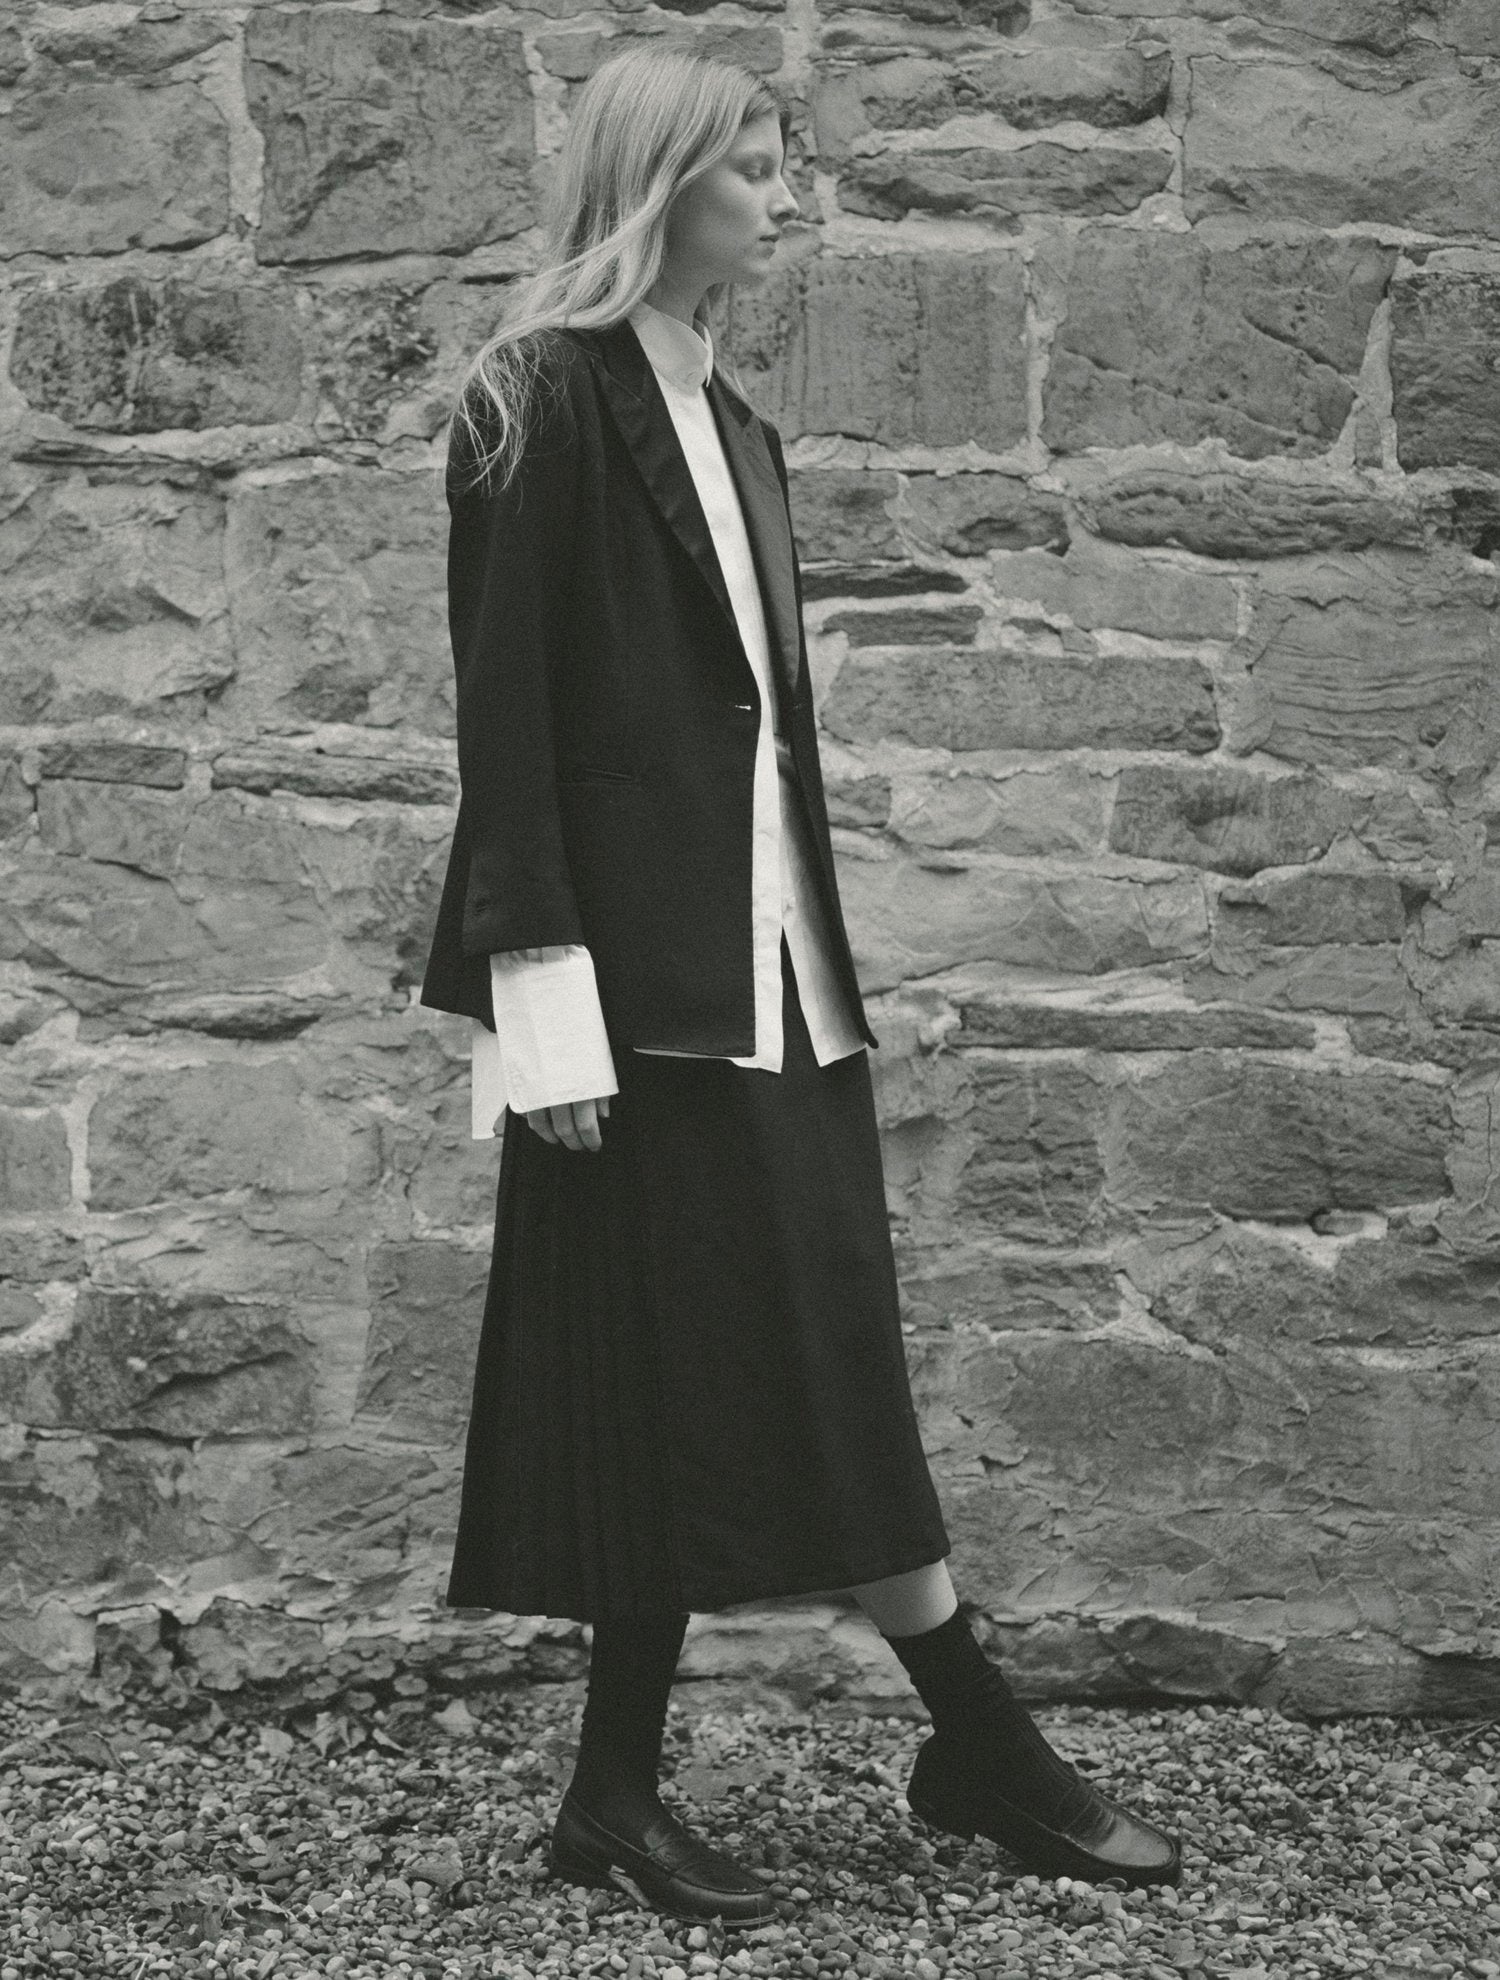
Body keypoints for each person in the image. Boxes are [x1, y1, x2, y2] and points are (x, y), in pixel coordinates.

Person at [419, 44, 1179, 1922]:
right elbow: (508, 724)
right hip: (636, 1001)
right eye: (752, 168)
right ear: (658, 182)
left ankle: (638, 1795)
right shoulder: (537, 400)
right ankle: (967, 1741)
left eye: (780, 163)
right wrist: (541, 1004)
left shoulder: (737, 426)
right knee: (679, 1368)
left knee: (788, 1352)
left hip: (779, 986)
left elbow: (757, 746)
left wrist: (829, 965)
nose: (784, 198)